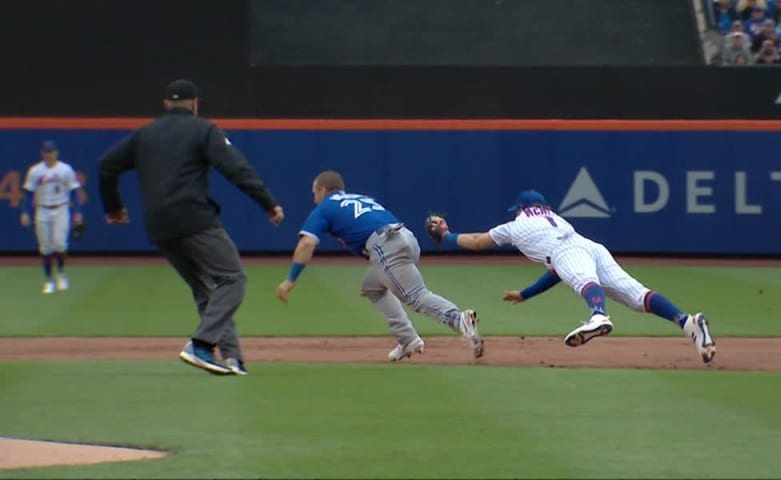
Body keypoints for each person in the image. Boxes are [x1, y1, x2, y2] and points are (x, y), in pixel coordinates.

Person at [98, 79, 284, 376]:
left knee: (205, 289)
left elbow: (106, 164)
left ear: (165, 105)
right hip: (193, 218)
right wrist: (267, 202)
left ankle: (232, 358)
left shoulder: (145, 134)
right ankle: (200, 344)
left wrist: (114, 208)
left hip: (159, 226)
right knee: (233, 277)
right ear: (195, 104)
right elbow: (235, 167)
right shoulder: (204, 129)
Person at [425, 190, 716, 365]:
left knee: (582, 281)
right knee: (639, 296)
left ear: (522, 210)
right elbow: (557, 273)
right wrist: (526, 294)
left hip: (565, 251)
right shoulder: (556, 219)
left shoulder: (517, 225)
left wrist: (446, 234)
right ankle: (689, 323)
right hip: (589, 246)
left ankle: (599, 315)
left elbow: (477, 241)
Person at [275, 170, 483, 362]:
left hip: (386, 245)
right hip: (405, 238)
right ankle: (407, 339)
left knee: (415, 296)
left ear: (323, 190)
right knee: (371, 286)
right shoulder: (360, 198)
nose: (314, 198)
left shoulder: (325, 207)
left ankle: (458, 319)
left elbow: (307, 243)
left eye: (314, 193)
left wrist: (290, 279)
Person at [20, 140, 84, 294]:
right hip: (42, 209)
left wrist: (78, 211)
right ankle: (49, 280)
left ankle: (61, 274)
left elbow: (74, 191)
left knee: (60, 244)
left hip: (61, 208)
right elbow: (28, 193)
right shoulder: (35, 171)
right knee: (46, 247)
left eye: (52, 152)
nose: (49, 155)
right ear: (42, 153)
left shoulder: (65, 169)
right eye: (46, 152)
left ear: (56, 153)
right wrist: (25, 212)